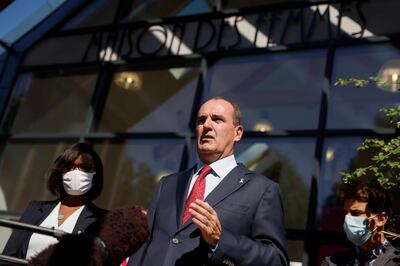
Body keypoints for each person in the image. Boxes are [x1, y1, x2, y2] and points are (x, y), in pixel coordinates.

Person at [128, 97, 289, 266]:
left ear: (238, 132)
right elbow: (143, 245)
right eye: (201, 120)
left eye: (217, 120)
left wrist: (221, 240)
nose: (207, 125)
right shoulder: (168, 184)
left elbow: (276, 260)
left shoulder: (261, 189)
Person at [2, 142, 108, 260]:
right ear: (61, 173)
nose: (76, 172)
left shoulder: (102, 221)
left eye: (85, 167)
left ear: (95, 175)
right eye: (69, 167)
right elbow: (8, 256)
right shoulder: (35, 209)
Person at [322, 181, 400, 265]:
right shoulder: (332, 262)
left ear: (381, 219)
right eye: (346, 213)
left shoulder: (397, 260)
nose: (348, 219)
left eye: (356, 213)